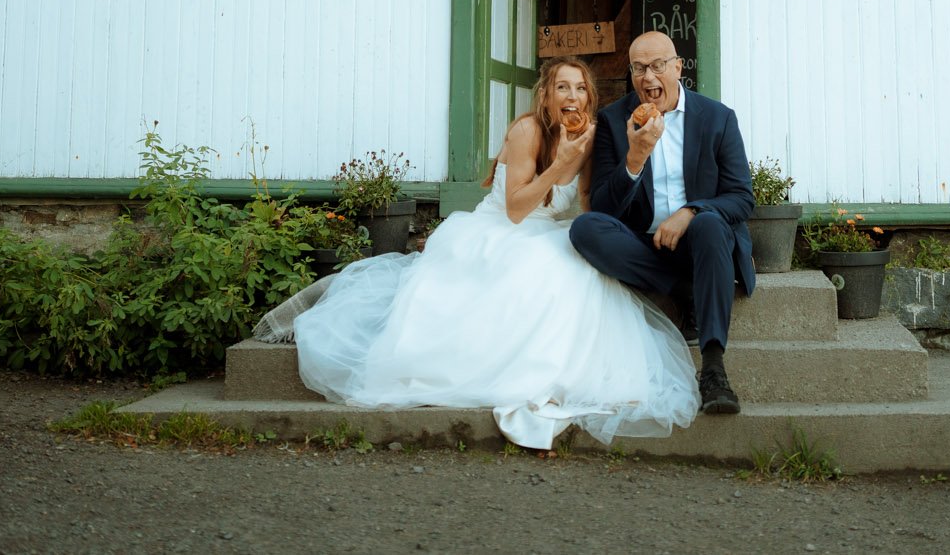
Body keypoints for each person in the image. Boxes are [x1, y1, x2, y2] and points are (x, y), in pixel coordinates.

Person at [288, 58, 698, 449]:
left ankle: (565, 370)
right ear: (546, 95)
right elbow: (517, 209)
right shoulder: (527, 131)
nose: (571, 96)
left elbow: (588, 199)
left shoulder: (588, 135)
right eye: (562, 87)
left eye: (579, 88)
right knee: (539, 268)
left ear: (589, 98)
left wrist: (602, 235)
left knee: (580, 266)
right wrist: (559, 165)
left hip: (547, 231)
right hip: (499, 229)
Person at [570, 31, 756, 416]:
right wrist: (634, 158)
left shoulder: (717, 118)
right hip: (644, 243)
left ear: (678, 67)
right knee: (585, 230)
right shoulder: (614, 120)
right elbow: (604, 207)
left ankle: (714, 367)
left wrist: (690, 211)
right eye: (639, 68)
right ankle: (683, 290)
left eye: (657, 66)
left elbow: (741, 197)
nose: (648, 78)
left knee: (709, 224)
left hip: (701, 242)